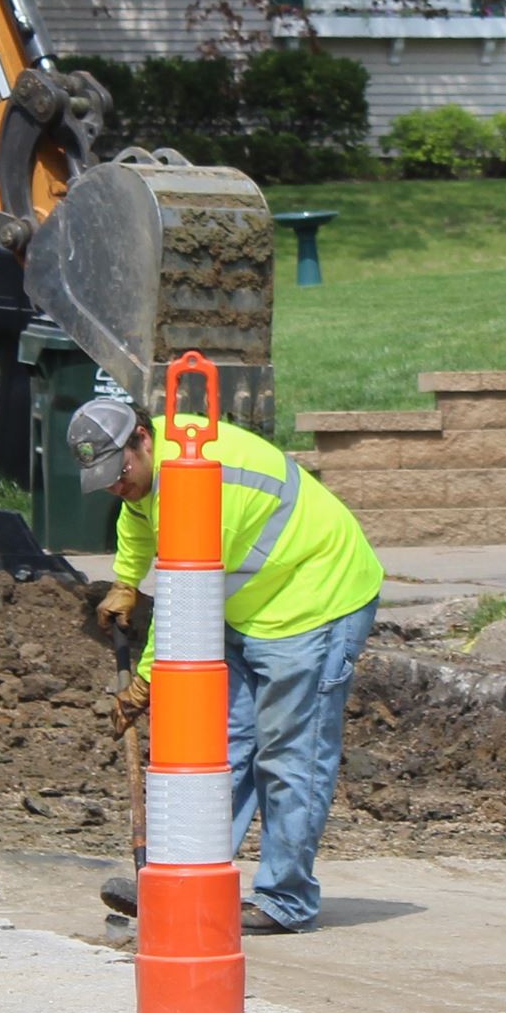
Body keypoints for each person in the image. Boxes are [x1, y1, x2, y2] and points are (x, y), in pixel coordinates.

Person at [71, 394, 383, 935]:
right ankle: (189, 877)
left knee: (291, 756)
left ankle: (285, 901)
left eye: (118, 472)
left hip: (312, 602)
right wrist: (124, 581)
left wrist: (146, 679)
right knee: (221, 751)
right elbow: (138, 517)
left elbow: (185, 596)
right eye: (104, 481)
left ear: (142, 439)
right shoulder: (152, 469)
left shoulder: (205, 480)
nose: (116, 487)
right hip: (249, 605)